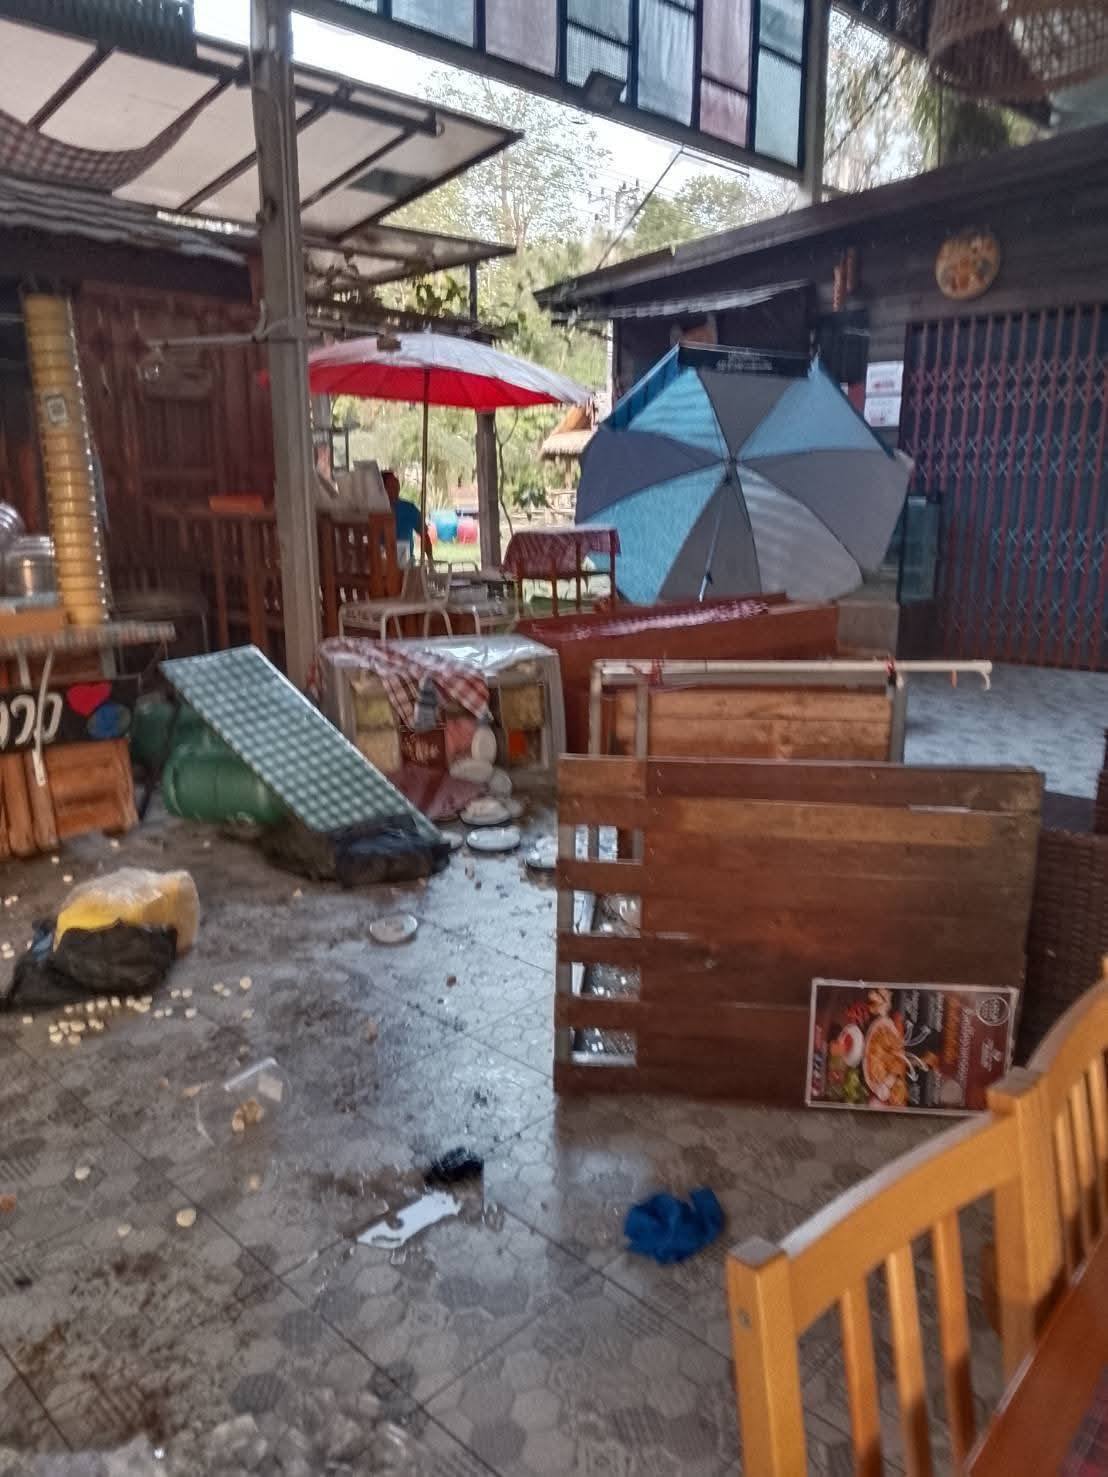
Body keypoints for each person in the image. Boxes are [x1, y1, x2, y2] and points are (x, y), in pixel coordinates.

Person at [383, 469, 425, 554]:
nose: (395, 489)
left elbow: (424, 534)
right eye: (391, 486)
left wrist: (430, 559)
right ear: (382, 488)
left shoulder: (409, 508)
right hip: (381, 558)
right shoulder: (374, 511)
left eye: (396, 485)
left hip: (405, 558)